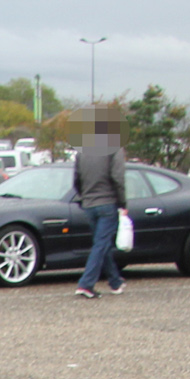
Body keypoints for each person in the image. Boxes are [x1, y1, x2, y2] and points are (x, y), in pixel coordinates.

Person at [72, 107, 126, 299]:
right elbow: (117, 177)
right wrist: (122, 202)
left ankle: (115, 281)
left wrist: (83, 195)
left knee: (100, 244)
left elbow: (76, 179)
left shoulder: (83, 150)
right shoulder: (114, 148)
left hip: (88, 203)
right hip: (107, 202)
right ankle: (86, 284)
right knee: (101, 244)